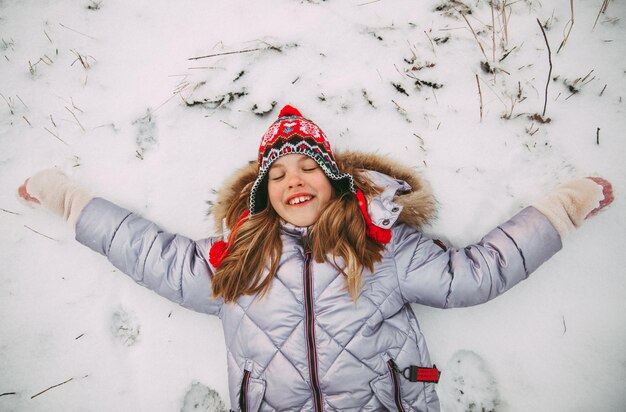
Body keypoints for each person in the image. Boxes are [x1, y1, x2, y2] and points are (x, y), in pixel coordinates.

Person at [18, 105, 613, 411]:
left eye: (307, 168)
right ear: (263, 197)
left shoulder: (381, 248)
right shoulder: (238, 264)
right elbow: (152, 254)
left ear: (335, 182)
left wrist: (564, 205)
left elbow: (476, 274)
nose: (292, 180)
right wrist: (68, 198)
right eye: (276, 175)